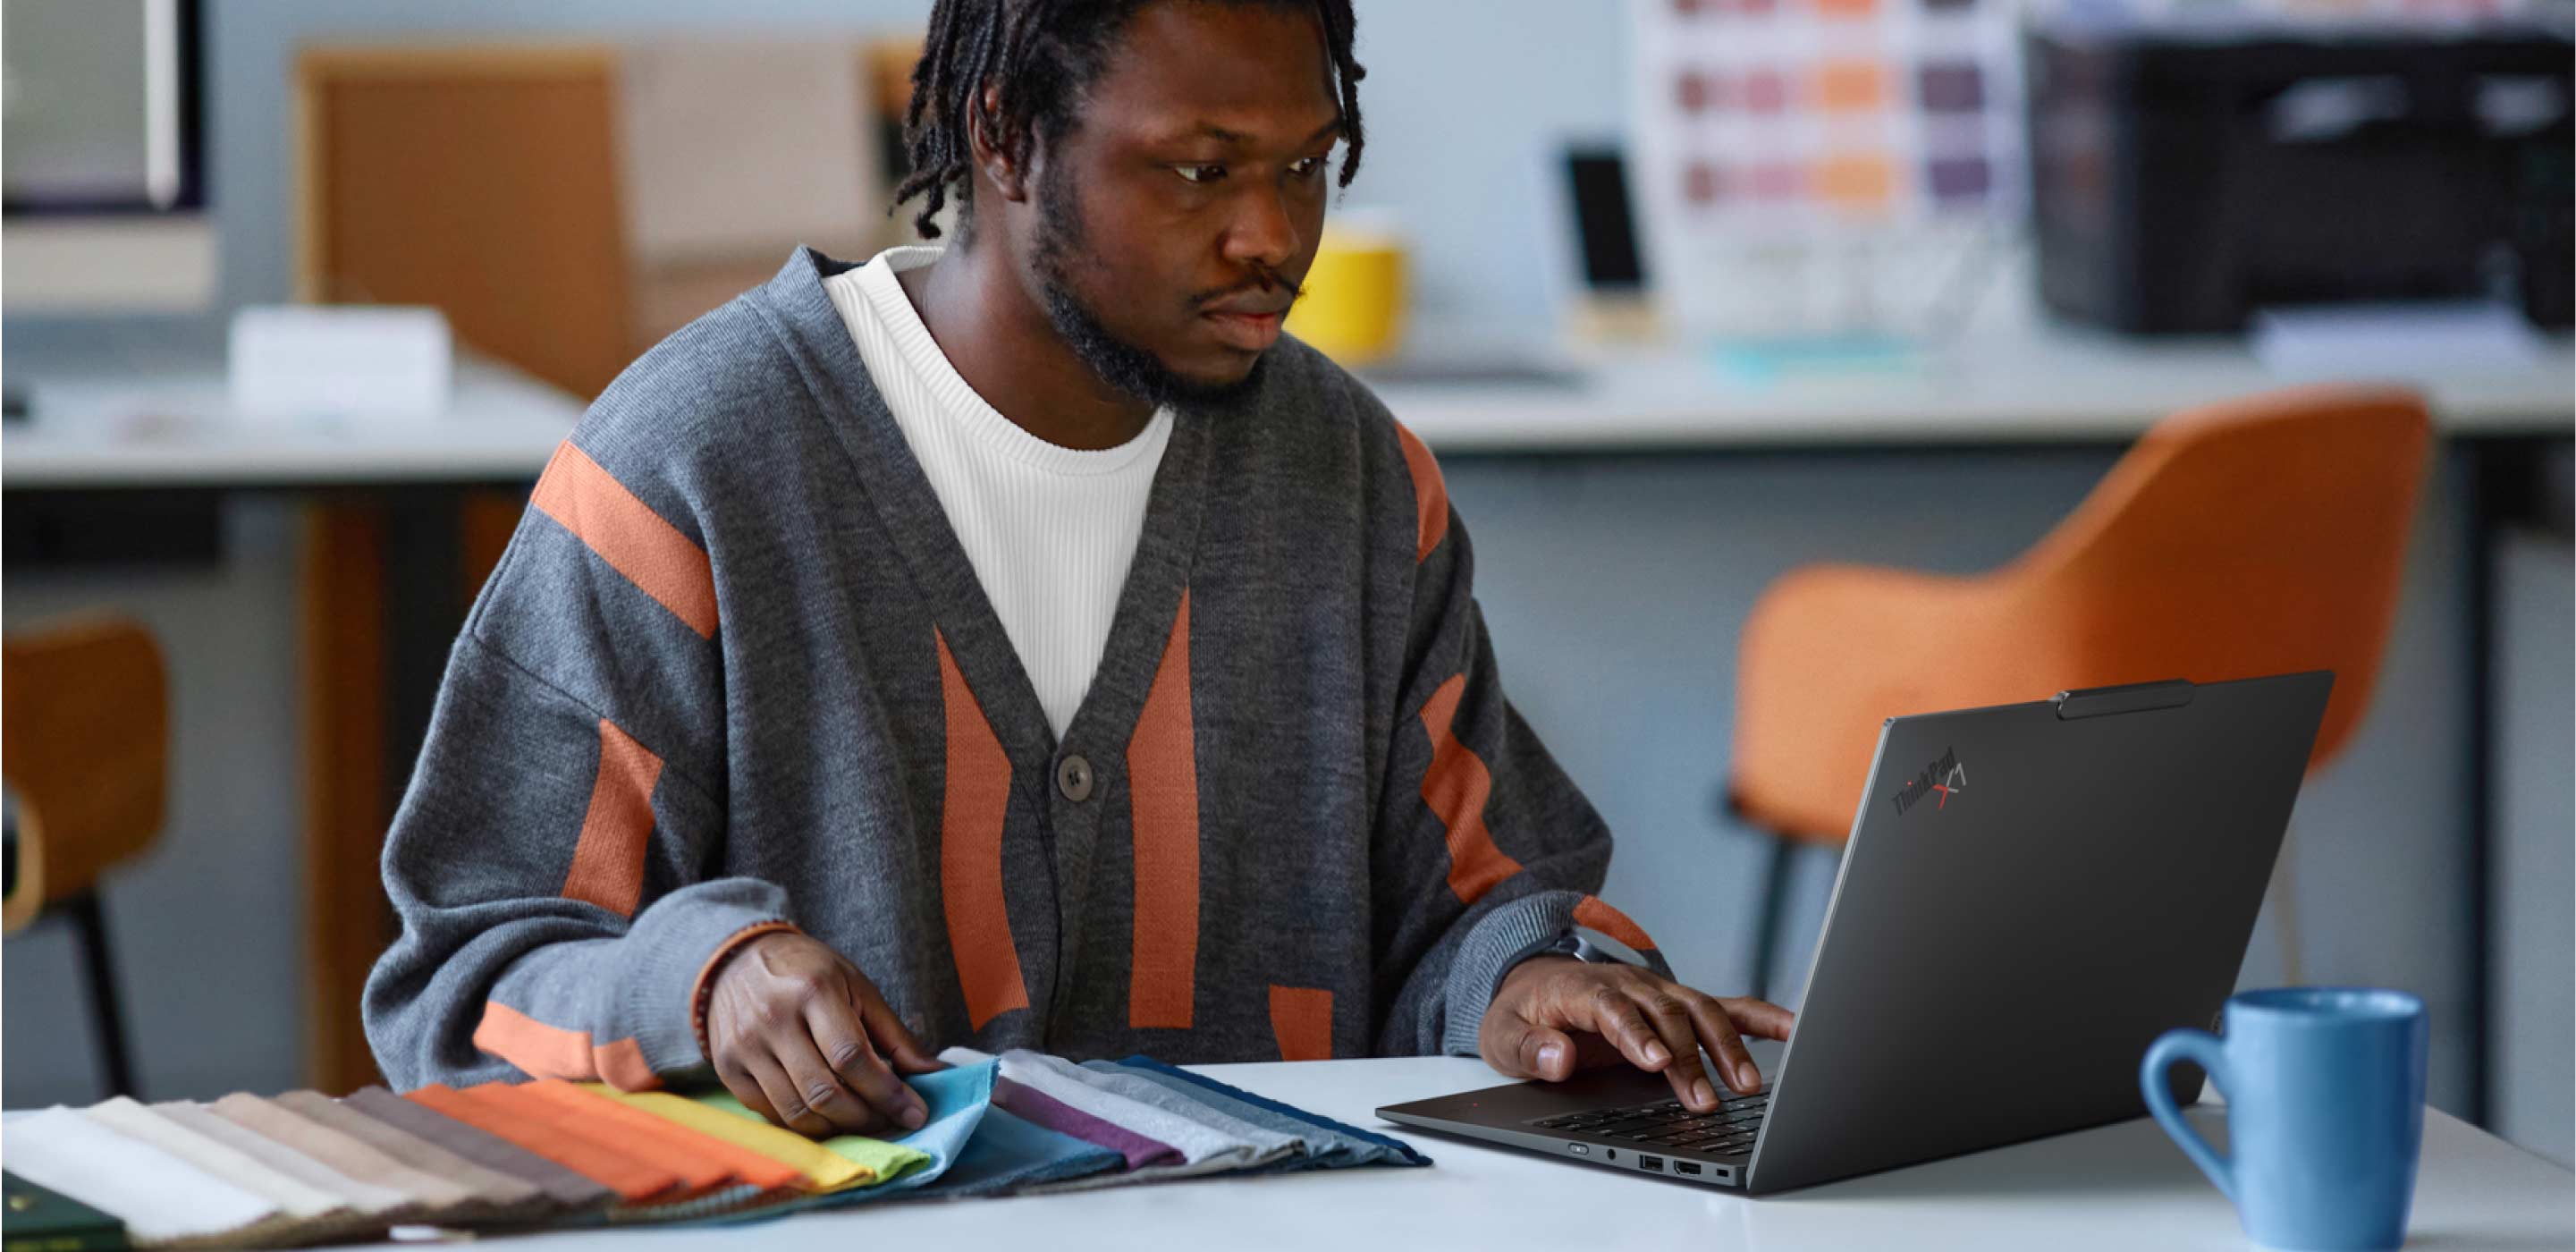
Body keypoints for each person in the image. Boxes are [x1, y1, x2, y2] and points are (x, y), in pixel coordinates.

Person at [365, 0, 1790, 1140]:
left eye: (1305, 167)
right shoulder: (691, 464)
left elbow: (1477, 903)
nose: (1274, 237)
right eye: (1200, 168)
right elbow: (461, 986)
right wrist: (701, 980)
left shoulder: (1350, 477)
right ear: (1006, 132)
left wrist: (1539, 987)